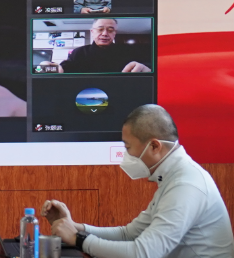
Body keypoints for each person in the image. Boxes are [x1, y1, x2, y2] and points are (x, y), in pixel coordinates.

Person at [43, 104, 234, 258]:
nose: (126, 155)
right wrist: (75, 227)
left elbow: (143, 253)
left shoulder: (185, 185)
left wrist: (77, 239)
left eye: (128, 147)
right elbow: (129, 234)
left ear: (154, 146)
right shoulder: (173, 178)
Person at [41, 19, 149, 73]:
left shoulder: (128, 50)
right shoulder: (79, 52)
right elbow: (65, 68)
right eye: (100, 29)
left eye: (110, 30)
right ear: (92, 32)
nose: (105, 34)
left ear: (114, 33)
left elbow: (149, 65)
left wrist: (146, 69)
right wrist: (52, 68)